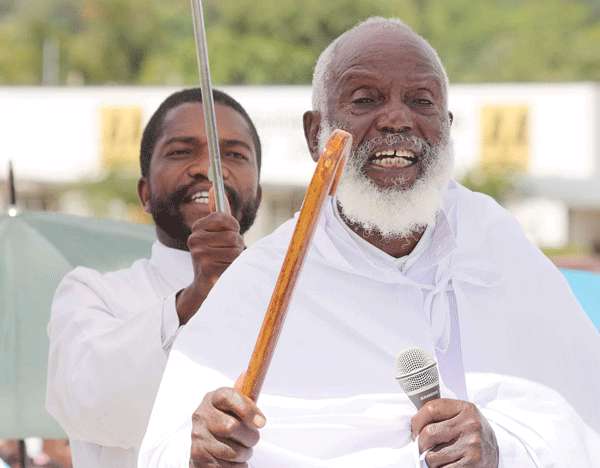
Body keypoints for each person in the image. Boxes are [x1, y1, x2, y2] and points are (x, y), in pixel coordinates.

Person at [139, 18, 600, 468]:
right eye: (365, 100)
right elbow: (168, 449)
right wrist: (203, 450)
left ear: (447, 126)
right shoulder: (263, 281)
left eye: (421, 101)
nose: (397, 119)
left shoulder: (494, 242)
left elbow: (584, 423)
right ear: (315, 134)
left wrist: (503, 452)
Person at [46, 87, 263, 468]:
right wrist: (194, 298)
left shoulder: (296, 300)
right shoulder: (93, 294)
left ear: (258, 194)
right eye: (181, 152)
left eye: (234, 154)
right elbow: (89, 404)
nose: (208, 168)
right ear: (144, 192)